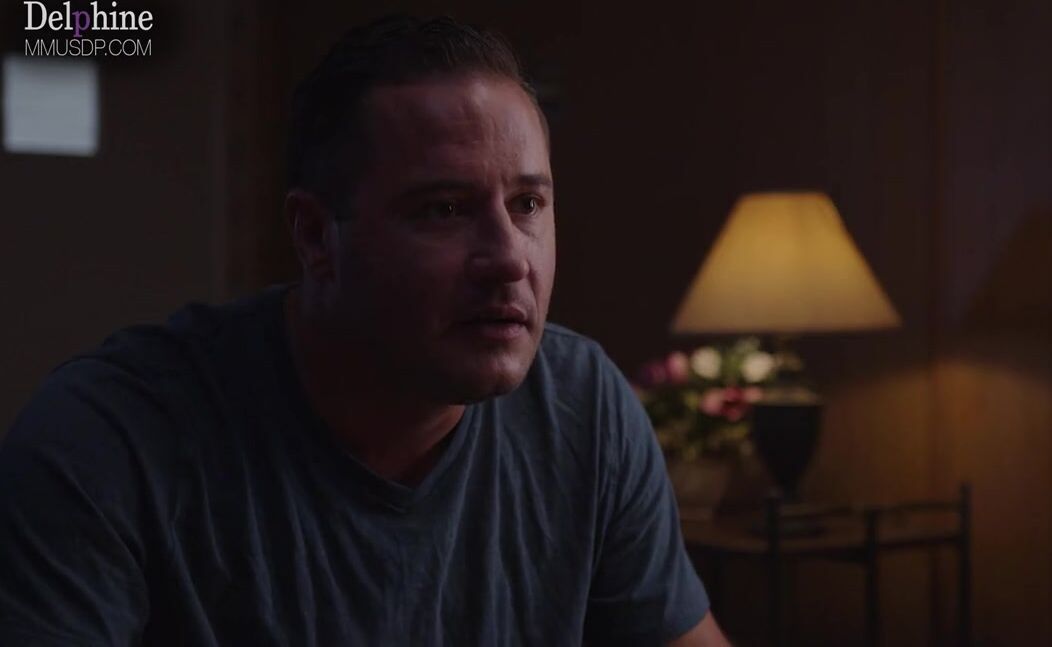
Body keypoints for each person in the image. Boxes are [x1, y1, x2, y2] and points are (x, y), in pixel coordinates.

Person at [0, 15, 729, 646]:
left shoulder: (582, 407)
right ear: (317, 236)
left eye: (528, 204)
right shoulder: (110, 440)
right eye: (444, 209)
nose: (511, 258)